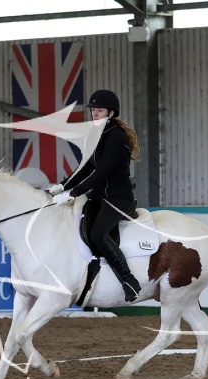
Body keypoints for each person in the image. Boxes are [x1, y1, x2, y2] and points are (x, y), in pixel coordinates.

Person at [47, 89, 142, 302]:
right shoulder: (95, 134)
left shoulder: (117, 137)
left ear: (111, 113)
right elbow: (87, 166)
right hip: (98, 197)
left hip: (117, 199)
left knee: (98, 234)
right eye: (93, 110)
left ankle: (129, 281)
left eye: (100, 111)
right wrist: (61, 186)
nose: (95, 114)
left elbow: (101, 173)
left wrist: (73, 194)